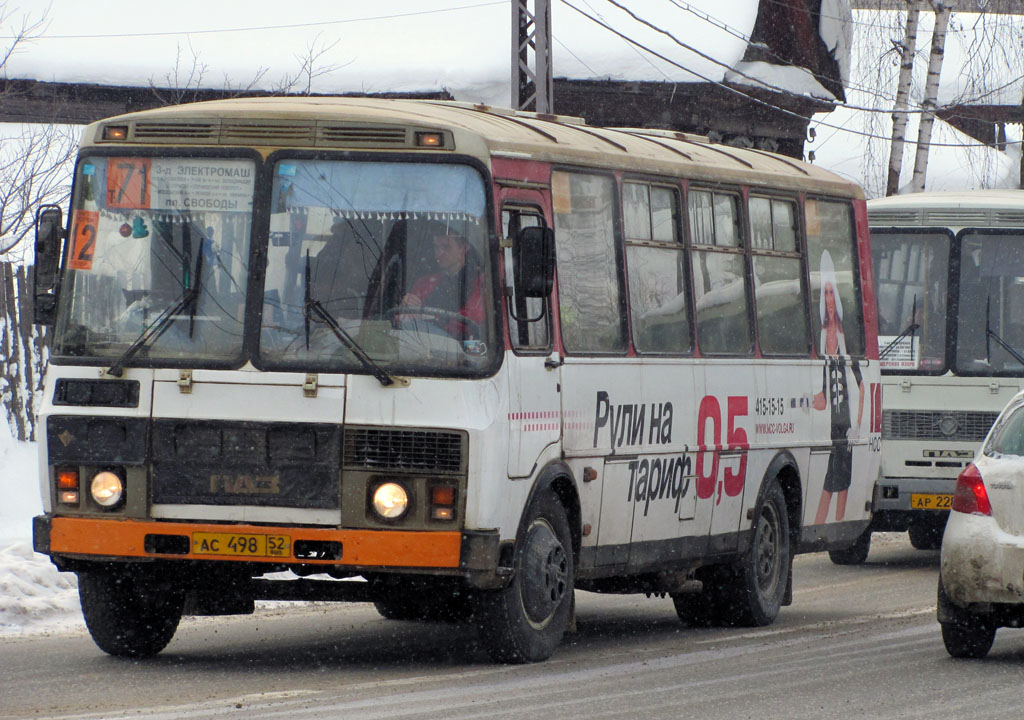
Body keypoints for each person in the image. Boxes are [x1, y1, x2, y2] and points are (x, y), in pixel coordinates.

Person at [813, 250, 864, 525]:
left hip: (847, 426)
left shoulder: (847, 338)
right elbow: (822, 394)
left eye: (833, 293)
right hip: (832, 425)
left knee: (841, 480)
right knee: (831, 480)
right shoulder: (821, 340)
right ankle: (824, 526)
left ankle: (836, 526)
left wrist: (857, 423)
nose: (830, 300)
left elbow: (862, 385)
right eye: (826, 294)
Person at [399, 232, 484, 338]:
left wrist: (427, 317)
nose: (439, 253)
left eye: (446, 247)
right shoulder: (424, 283)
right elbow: (403, 321)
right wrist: (405, 308)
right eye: (436, 247)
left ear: (464, 248)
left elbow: (472, 318)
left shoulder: (480, 282)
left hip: (461, 346)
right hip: (420, 345)